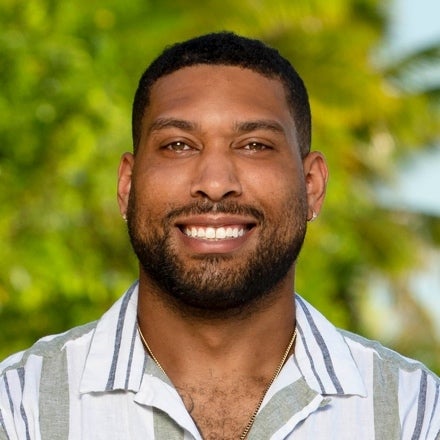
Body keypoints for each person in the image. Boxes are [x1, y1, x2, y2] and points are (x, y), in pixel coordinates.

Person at [0, 32, 439, 440]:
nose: (214, 183)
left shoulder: (414, 412)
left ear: (311, 186)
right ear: (127, 187)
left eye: (254, 145)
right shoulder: (20, 406)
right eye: (178, 145)